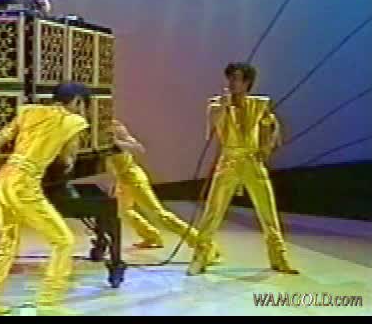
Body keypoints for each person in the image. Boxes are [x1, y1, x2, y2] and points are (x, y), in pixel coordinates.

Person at [0, 82, 90, 316]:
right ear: (77, 101)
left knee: (6, 246)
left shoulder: (28, 111)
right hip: (24, 184)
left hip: (2, 181)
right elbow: (68, 160)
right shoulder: (73, 122)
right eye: (83, 105)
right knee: (63, 241)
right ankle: (48, 304)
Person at [187, 62, 299, 276]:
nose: (232, 82)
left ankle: (279, 257)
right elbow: (212, 127)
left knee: (268, 211)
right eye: (230, 78)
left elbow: (272, 127)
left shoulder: (259, 104)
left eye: (237, 78)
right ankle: (200, 256)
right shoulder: (218, 104)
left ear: (247, 82)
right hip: (228, 161)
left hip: (252, 161)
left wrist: (266, 147)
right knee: (213, 210)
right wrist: (225, 105)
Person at [107, 120, 220, 260]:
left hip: (134, 178)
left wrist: (117, 143)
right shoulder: (94, 134)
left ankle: (203, 244)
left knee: (160, 214)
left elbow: (139, 148)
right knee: (123, 211)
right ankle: (151, 236)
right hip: (122, 179)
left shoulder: (114, 127)